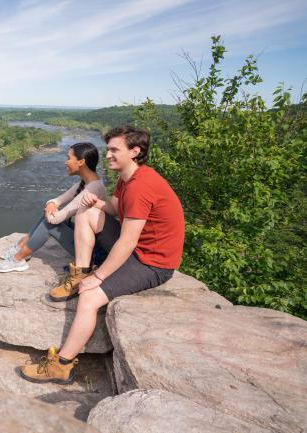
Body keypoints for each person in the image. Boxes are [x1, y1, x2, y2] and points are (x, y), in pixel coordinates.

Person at [20, 125, 185, 384]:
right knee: (87, 213)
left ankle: (62, 365)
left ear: (135, 151)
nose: (107, 155)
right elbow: (112, 209)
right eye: (108, 149)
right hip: (138, 249)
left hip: (152, 262)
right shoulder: (127, 178)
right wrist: (95, 204)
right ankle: (81, 272)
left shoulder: (142, 186)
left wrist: (100, 278)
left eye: (113, 150)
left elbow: (128, 241)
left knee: (89, 297)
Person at [0, 142, 106, 273]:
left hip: (91, 253)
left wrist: (50, 208)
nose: (65, 162)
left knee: (49, 224)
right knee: (48, 216)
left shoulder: (92, 189)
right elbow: (56, 200)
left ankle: (18, 259)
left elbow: (55, 220)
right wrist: (51, 205)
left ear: (81, 162)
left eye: (69, 158)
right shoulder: (85, 183)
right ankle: (20, 247)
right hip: (85, 242)